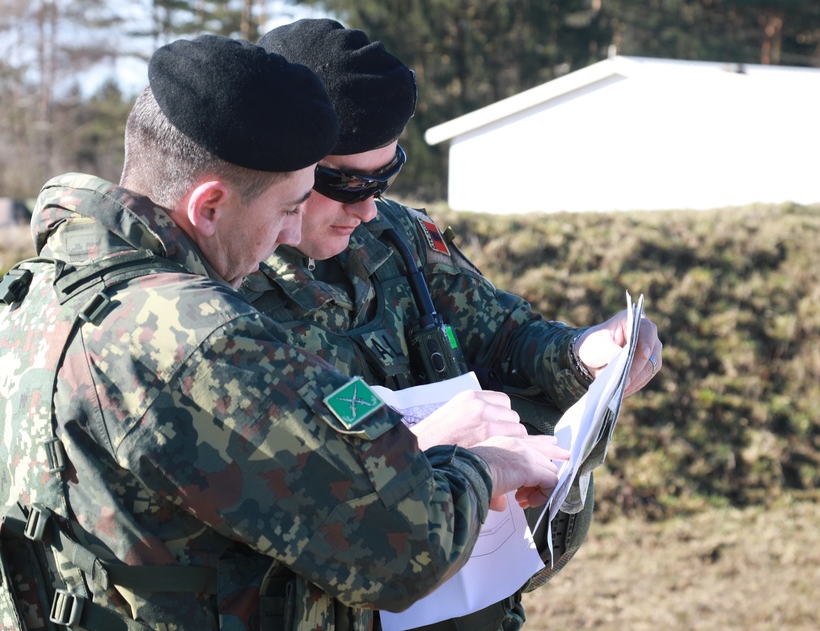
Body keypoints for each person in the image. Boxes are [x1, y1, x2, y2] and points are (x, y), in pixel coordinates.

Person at [0, 35, 570, 631]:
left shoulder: (13, 305)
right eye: (287, 209)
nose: (287, 236)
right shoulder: (204, 339)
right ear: (210, 205)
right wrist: (489, 464)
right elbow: (409, 543)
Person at [245, 19, 665, 631]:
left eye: (384, 179)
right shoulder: (222, 281)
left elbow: (502, 335)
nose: (366, 208)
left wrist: (585, 353)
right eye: (342, 184)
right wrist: (410, 438)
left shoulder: (398, 235)